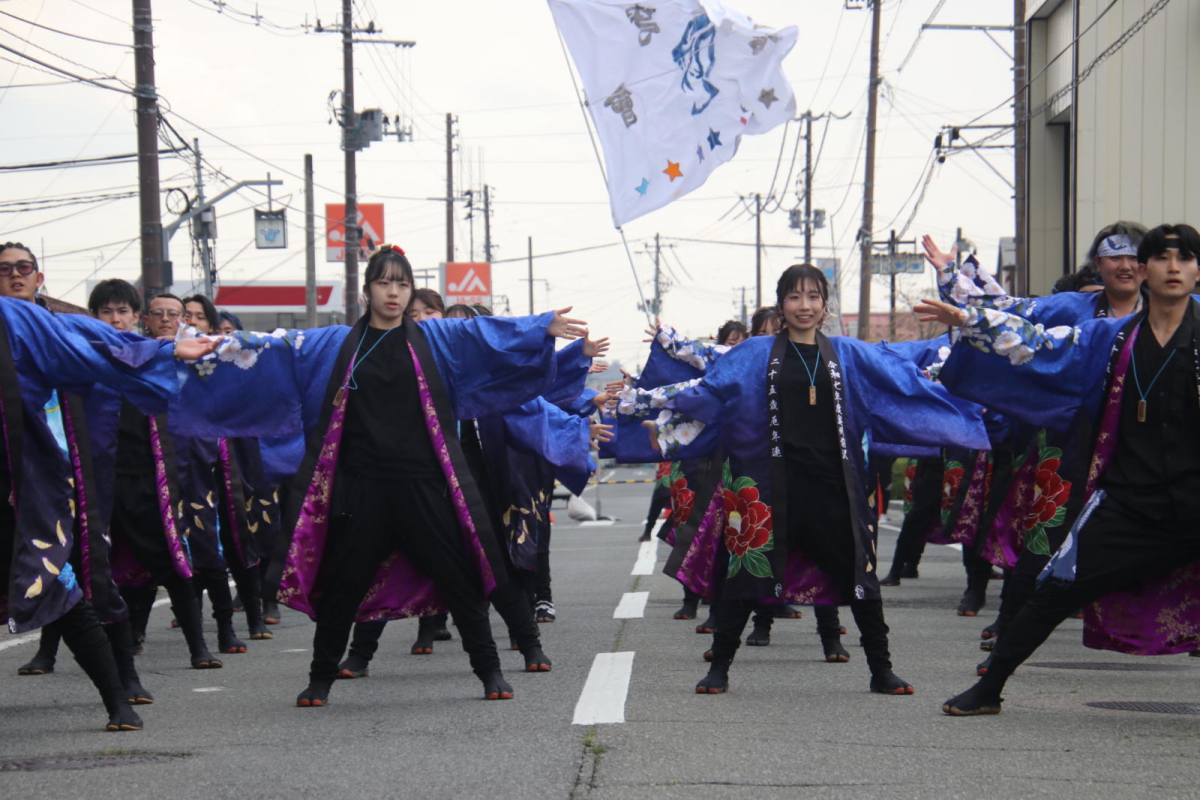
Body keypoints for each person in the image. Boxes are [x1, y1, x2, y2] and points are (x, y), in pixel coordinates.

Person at [168, 244, 587, 706]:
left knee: (459, 579)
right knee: (345, 586)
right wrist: (217, 345)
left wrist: (536, 326)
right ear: (366, 289)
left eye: (402, 283)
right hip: (360, 488)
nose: (394, 292)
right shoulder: (334, 345)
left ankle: (489, 672)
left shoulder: (436, 339)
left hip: (424, 485)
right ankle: (320, 679)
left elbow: (482, 332)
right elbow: (275, 348)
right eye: (385, 282)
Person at [621, 264, 989, 695]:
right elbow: (708, 390)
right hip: (768, 485)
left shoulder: (849, 354)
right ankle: (719, 668)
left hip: (836, 486)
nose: (805, 306)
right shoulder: (755, 353)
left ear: (825, 304)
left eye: (813, 297)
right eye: (795, 297)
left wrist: (969, 348)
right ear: (782, 305)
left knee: (859, 575)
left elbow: (906, 374)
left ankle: (881, 669)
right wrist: (641, 406)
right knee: (747, 575)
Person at [917, 224, 1200, 715]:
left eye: (1185, 258)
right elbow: (1034, 339)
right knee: (1055, 587)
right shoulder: (1106, 336)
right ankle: (990, 686)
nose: (1171, 267)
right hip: (1131, 499)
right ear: (1145, 271)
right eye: (1161, 258)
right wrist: (968, 318)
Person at [0, 250, 217, 730]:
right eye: (4, 269)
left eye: (22, 267)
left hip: (60, 484)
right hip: (39, 482)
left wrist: (161, 350)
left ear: (39, 277)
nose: (14, 275)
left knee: (72, 581)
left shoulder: (35, 325)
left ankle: (121, 692)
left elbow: (96, 345)